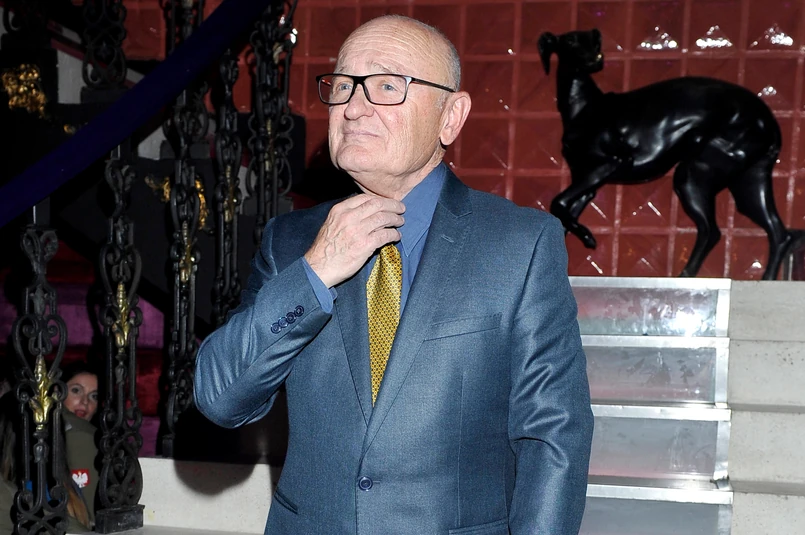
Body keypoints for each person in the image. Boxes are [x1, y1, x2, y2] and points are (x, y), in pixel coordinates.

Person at [194, 14, 594, 535]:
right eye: (343, 85)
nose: (354, 107)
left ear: (451, 117)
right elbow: (220, 398)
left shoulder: (520, 245)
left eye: (387, 86)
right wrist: (315, 273)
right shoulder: (290, 241)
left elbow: (554, 435)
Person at [60, 361, 100, 527]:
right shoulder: (83, 437)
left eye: (94, 396)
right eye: (76, 391)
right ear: (58, 392)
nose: (85, 402)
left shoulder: (97, 439)